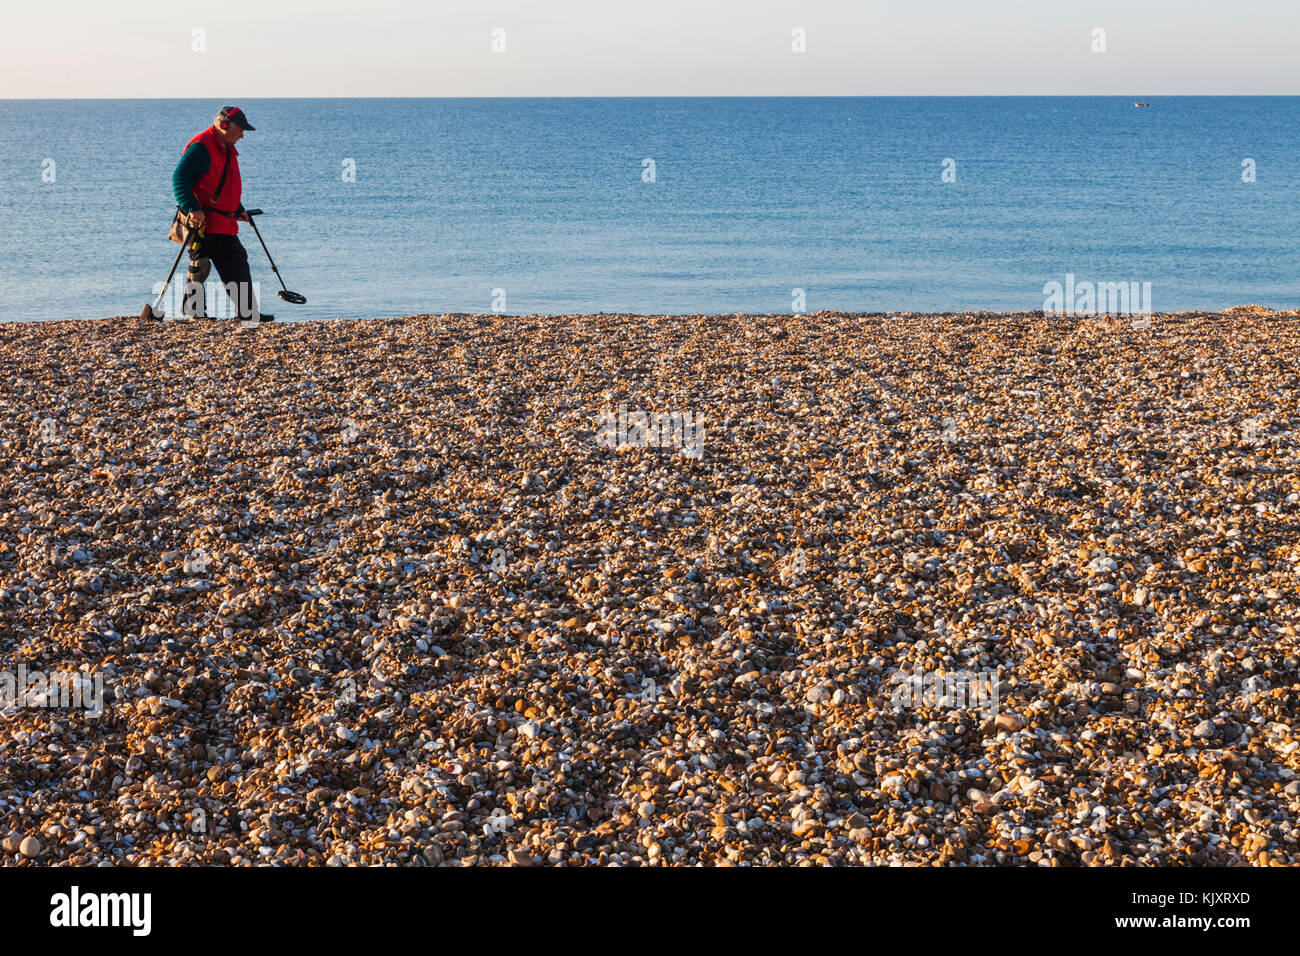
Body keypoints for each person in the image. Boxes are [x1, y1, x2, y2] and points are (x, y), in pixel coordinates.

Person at [172, 106, 272, 321]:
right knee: (199, 267)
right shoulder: (201, 147)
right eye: (240, 129)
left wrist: (238, 209)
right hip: (204, 222)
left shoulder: (225, 147)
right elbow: (179, 179)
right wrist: (193, 208)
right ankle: (194, 313)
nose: (242, 135)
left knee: (237, 263)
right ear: (224, 125)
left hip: (225, 222)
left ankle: (247, 313)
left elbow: (222, 184)